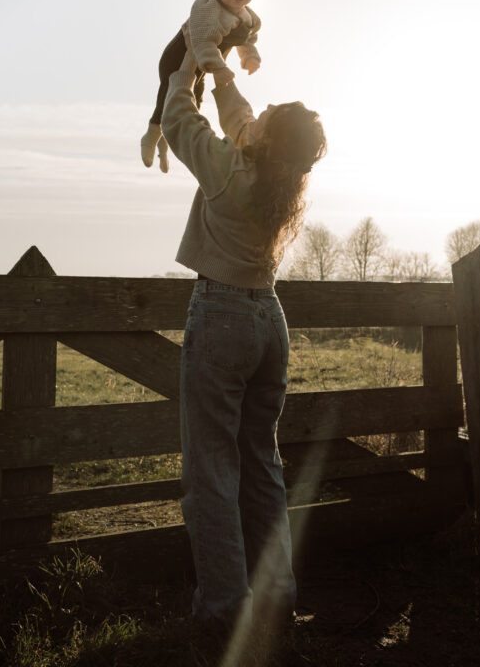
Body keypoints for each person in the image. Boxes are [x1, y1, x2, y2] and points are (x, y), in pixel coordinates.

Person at [161, 46, 327, 632]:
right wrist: (223, 75)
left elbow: (181, 122)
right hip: (268, 320)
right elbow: (242, 120)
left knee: (210, 470)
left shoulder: (228, 166)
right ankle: (278, 594)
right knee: (262, 462)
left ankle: (223, 609)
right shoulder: (282, 176)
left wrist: (185, 72)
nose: (253, 120)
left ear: (263, 141)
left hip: (223, 314)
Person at [140, 0, 262, 173]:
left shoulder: (250, 18)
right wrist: (219, 67)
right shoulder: (208, 6)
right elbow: (203, 43)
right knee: (166, 102)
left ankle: (166, 147)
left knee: (193, 105)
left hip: (204, 67)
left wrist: (250, 58)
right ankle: (150, 137)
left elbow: (248, 39)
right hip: (179, 58)